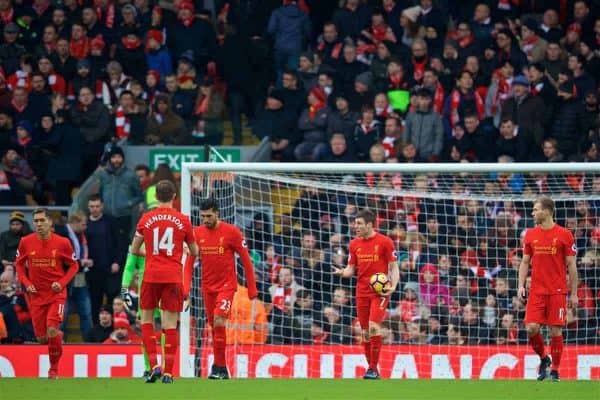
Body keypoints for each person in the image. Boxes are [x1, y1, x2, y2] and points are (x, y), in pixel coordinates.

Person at [130, 180, 198, 384]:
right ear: (174, 197)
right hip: (173, 276)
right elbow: (195, 251)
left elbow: (134, 250)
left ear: (156, 197)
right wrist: (182, 251)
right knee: (170, 325)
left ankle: (153, 367)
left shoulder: (145, 219)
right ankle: (168, 373)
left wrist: (151, 253)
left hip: (151, 276)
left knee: (147, 322)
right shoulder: (183, 220)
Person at [194, 198, 258, 379]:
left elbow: (246, 260)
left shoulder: (232, 232)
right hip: (207, 287)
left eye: (209, 216)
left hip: (227, 286)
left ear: (217, 213)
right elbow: (190, 260)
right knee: (214, 327)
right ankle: (222, 369)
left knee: (219, 320)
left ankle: (218, 366)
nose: (205, 220)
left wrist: (252, 288)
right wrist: (185, 288)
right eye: (203, 216)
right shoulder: (197, 233)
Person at [332, 208, 399, 379]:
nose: (356, 226)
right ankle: (373, 370)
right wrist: (342, 272)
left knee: (374, 326)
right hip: (361, 291)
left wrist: (393, 286)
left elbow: (393, 267)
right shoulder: (354, 244)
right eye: (355, 223)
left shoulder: (385, 242)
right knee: (364, 332)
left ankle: (372, 368)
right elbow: (350, 270)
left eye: (359, 223)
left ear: (370, 224)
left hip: (380, 291)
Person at [518, 197, 578, 382]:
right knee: (530, 328)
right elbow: (525, 262)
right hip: (536, 290)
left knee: (555, 331)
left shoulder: (565, 234)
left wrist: (574, 293)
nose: (532, 213)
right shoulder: (530, 234)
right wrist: (520, 286)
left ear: (547, 211)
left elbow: (572, 266)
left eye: (536, 209)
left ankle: (556, 371)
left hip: (557, 291)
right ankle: (545, 358)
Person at [14, 208, 79, 378]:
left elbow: (74, 266)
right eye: (36, 221)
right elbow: (19, 265)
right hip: (35, 296)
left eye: (42, 220)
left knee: (51, 330)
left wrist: (62, 282)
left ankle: (54, 370)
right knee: (42, 339)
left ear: (50, 222)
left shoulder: (63, 242)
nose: (39, 224)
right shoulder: (25, 242)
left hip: (56, 294)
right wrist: (26, 283)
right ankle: (57, 337)